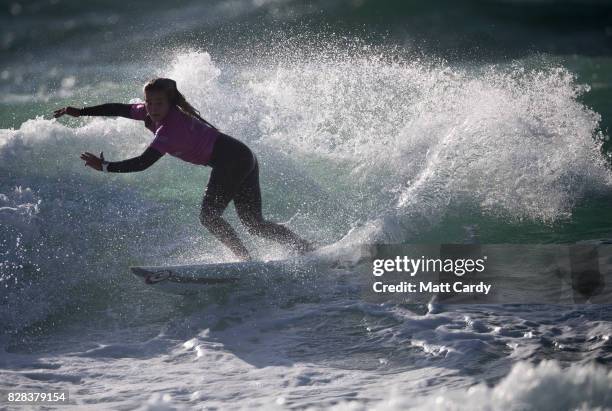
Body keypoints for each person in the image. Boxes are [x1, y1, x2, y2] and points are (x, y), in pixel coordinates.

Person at [53, 77, 314, 261]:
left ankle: (244, 260)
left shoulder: (170, 129)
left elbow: (143, 163)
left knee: (210, 217)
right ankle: (305, 248)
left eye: (159, 104)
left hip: (233, 160)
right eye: (149, 103)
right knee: (254, 224)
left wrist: (106, 167)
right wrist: (81, 112)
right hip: (242, 156)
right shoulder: (148, 112)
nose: (152, 109)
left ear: (170, 104)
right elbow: (120, 108)